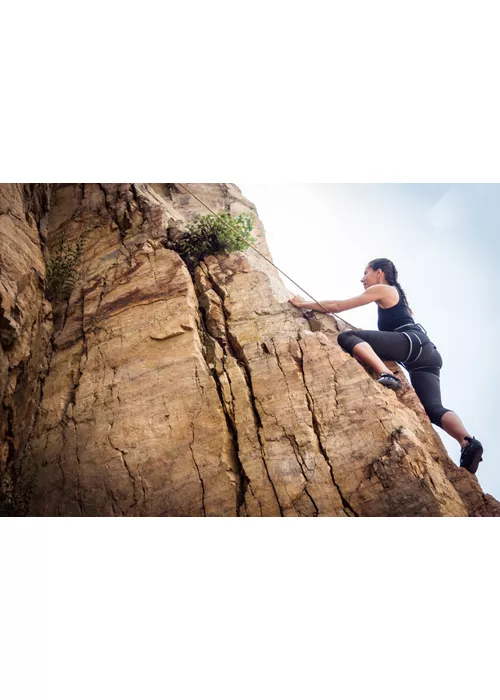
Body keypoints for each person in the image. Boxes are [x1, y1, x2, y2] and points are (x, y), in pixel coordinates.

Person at [289, 257, 483, 474]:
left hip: (411, 344)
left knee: (347, 337)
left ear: (379, 273)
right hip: (426, 355)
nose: (362, 279)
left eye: (366, 273)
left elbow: (337, 307)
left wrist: (302, 303)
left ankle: (386, 374)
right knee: (434, 409)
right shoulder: (398, 298)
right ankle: (468, 442)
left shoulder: (384, 289)